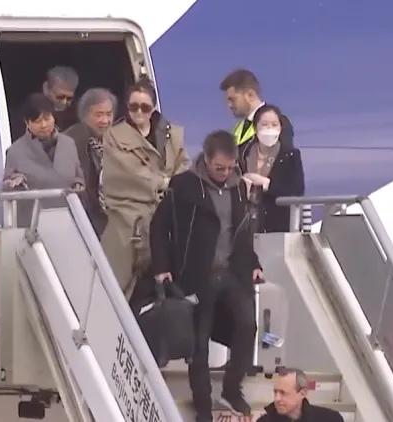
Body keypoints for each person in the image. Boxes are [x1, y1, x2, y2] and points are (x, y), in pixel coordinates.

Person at [149, 130, 263, 421]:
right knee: (199, 342)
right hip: (197, 275)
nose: (224, 174)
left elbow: (243, 230)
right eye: (219, 168)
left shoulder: (238, 186)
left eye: (229, 168)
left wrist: (253, 262)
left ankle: (232, 389)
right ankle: (203, 406)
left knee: (247, 325)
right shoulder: (184, 186)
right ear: (206, 160)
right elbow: (159, 226)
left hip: (232, 271)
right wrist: (162, 267)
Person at [101, 78, 189, 298]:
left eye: (145, 107)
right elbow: (128, 173)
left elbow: (183, 166)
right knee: (117, 288)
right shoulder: (114, 136)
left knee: (169, 286)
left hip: (167, 218)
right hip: (128, 222)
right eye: (133, 107)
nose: (139, 112)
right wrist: (165, 182)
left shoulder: (172, 134)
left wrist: (175, 186)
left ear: (153, 107)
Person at [3, 93, 84, 226]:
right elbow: (7, 191)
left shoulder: (69, 144)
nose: (43, 125)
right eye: (37, 121)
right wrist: (15, 183)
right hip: (33, 224)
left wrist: (78, 184)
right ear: (27, 122)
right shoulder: (15, 151)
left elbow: (78, 176)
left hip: (68, 221)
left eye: (47, 119)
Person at [240, 104, 305, 233]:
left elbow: (297, 190)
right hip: (246, 225)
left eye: (274, 125)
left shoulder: (290, 155)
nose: (270, 129)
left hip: (278, 226)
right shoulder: (242, 152)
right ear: (255, 128)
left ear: (281, 128)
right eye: (264, 125)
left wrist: (267, 184)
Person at [64, 88, 117, 237]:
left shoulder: (117, 140)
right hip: (83, 222)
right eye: (99, 115)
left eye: (109, 114)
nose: (105, 121)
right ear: (85, 115)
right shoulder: (69, 142)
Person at [219, 68, 294, 156]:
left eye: (233, 99)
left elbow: (282, 159)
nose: (229, 105)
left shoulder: (278, 123)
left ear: (250, 95)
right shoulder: (238, 128)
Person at [10, 66, 80, 140]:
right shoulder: (31, 109)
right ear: (46, 88)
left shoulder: (76, 112)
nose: (64, 102)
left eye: (69, 98)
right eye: (60, 97)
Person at [256, 367, 344, 422]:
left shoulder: (330, 419)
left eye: (283, 393)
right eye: (275, 392)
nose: (277, 398)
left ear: (303, 393)